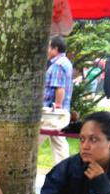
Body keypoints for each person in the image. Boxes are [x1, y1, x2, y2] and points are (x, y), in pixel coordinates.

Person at [39, 35, 74, 166]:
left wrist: (57, 108)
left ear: (55, 49)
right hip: (57, 112)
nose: (47, 50)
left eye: (49, 47)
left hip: (51, 112)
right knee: (59, 143)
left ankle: (23, 162)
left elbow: (60, 88)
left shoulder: (58, 65)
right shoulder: (66, 63)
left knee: (34, 139)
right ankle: (65, 169)